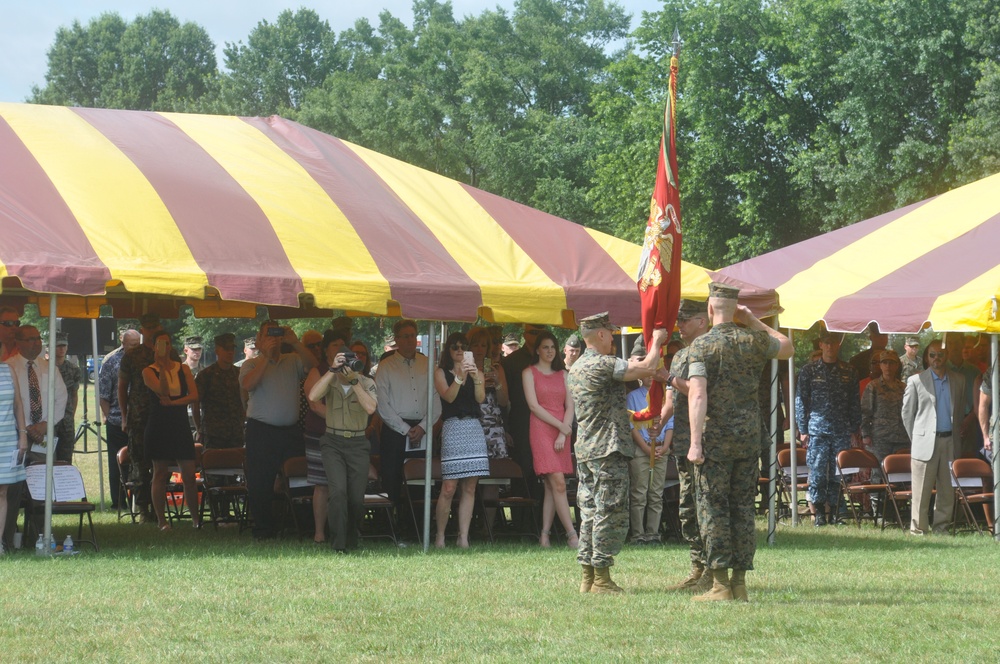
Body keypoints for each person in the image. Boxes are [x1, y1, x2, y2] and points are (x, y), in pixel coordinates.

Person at [686, 283, 793, 602]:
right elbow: (786, 346)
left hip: (716, 441)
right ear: (736, 310)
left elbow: (698, 394)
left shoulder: (702, 345)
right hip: (749, 437)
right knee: (743, 509)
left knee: (713, 508)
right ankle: (740, 584)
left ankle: (720, 585)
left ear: (708, 310)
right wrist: (754, 321)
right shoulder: (754, 339)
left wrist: (694, 442)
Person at [568, 312, 667, 594]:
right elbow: (648, 369)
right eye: (610, 333)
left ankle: (588, 576)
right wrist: (657, 341)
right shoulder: (602, 364)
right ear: (599, 334)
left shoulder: (578, 367)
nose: (612, 338)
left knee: (589, 512)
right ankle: (601, 578)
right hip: (607, 450)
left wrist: (637, 415)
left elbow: (603, 406)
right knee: (609, 512)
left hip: (588, 449)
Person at [240, 320, 317, 540]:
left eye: (277, 334)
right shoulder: (251, 363)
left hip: (290, 431)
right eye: (268, 334)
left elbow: (313, 366)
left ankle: (301, 525)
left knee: (300, 477)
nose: (273, 338)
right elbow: (248, 385)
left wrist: (296, 343)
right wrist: (266, 355)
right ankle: (264, 529)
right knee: (260, 482)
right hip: (261, 431)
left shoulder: (293, 360)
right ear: (259, 338)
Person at [659, 298, 712, 591]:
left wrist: (668, 377)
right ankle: (696, 568)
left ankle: (711, 571)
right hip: (681, 441)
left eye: (685, 320)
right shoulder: (680, 357)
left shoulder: (708, 353)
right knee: (688, 507)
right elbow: (672, 396)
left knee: (705, 506)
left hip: (704, 441)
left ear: (701, 322)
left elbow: (697, 390)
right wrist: (657, 420)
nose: (679, 325)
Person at [308, 335, 378, 552]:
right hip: (333, 442)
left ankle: (351, 539)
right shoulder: (332, 380)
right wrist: (332, 370)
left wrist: (355, 381)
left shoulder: (367, 382)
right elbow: (313, 396)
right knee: (337, 492)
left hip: (358, 443)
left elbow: (370, 408)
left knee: (356, 498)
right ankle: (338, 544)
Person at [795, 330, 862, 526]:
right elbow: (801, 401)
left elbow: (854, 402)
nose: (830, 347)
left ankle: (833, 513)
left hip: (841, 430)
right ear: (821, 346)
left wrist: (854, 428)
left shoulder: (849, 371)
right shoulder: (809, 371)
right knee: (817, 472)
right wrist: (803, 429)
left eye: (833, 343)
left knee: (837, 474)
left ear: (838, 345)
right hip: (817, 430)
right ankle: (819, 516)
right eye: (826, 343)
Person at [901, 339, 965, 535]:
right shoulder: (916, 380)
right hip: (924, 442)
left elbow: (960, 412)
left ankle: (941, 528)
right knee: (921, 490)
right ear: (927, 357)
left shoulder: (959, 380)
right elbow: (907, 414)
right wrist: (918, 437)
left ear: (946, 356)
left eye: (940, 354)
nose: (937, 358)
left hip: (949, 442)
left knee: (947, 490)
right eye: (932, 355)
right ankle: (918, 529)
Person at [120, 313, 179, 521]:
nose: (152, 330)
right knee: (140, 465)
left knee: (163, 465)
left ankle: (159, 508)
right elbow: (122, 387)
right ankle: (144, 509)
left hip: (164, 416)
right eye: (148, 327)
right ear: (142, 329)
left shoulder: (172, 354)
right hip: (139, 418)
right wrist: (125, 417)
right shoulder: (132, 356)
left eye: (156, 326)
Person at [375, 320, 440, 509]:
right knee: (392, 477)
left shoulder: (428, 364)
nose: (411, 340)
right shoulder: (386, 366)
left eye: (413, 335)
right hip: (395, 430)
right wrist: (405, 429)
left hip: (422, 429)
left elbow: (436, 399)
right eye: (406, 336)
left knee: (420, 480)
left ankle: (417, 527)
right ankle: (392, 525)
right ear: (397, 339)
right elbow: (382, 403)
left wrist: (422, 426)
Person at [433, 332, 489, 548]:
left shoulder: (478, 373)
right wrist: (459, 378)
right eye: (455, 346)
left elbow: (480, 398)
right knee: (449, 486)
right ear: (448, 350)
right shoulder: (441, 373)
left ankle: (463, 537)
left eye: (463, 346)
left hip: (473, 427)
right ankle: (440, 536)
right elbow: (448, 397)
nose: (459, 349)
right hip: (453, 427)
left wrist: (475, 378)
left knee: (470, 486)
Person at [523, 330, 577, 549]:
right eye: (545, 347)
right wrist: (560, 427)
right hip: (541, 429)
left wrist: (564, 432)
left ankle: (544, 535)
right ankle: (572, 534)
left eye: (553, 347)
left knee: (551, 486)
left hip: (562, 431)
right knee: (558, 482)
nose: (549, 351)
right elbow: (533, 406)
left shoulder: (563, 375)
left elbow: (570, 406)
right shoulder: (529, 372)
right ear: (537, 350)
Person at [142, 331, 201, 530]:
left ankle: (195, 519)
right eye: (160, 344)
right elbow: (162, 391)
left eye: (167, 344)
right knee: (160, 472)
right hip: (159, 423)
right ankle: (162, 521)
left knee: (189, 473)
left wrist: (174, 403)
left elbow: (193, 395)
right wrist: (161, 366)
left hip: (180, 423)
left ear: (171, 346)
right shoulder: (148, 371)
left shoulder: (183, 368)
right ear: (154, 346)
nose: (164, 348)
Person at [5, 325, 68, 464]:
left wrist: (45, 424)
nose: (37, 342)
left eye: (38, 338)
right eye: (31, 339)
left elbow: (61, 399)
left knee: (43, 478)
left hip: (44, 434)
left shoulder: (50, 367)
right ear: (18, 342)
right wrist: (27, 427)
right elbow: (9, 404)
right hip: (16, 434)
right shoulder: (8, 367)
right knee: (16, 482)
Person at [502, 324, 546, 509]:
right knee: (522, 468)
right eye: (532, 332)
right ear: (524, 334)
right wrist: (506, 428)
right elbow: (504, 399)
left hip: (546, 421)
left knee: (545, 470)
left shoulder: (549, 357)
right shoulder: (511, 361)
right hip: (521, 421)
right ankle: (521, 519)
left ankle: (544, 518)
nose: (536, 336)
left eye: (539, 332)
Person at [303, 330, 338, 543]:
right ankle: (319, 533)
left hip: (345, 436)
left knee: (343, 483)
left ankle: (342, 529)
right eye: (335, 345)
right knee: (322, 483)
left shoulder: (351, 371)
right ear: (326, 350)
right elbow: (314, 404)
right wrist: (339, 419)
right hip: (320, 434)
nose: (340, 348)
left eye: (343, 344)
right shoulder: (317, 371)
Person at [627, 370, 671, 545]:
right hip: (641, 449)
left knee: (656, 493)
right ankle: (638, 534)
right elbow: (631, 426)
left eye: (654, 373)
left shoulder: (665, 395)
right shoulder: (632, 397)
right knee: (639, 492)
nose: (650, 377)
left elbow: (670, 423)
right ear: (639, 376)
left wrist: (666, 447)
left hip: (661, 448)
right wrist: (646, 449)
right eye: (647, 373)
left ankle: (653, 533)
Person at [100, 329, 140, 509]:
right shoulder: (111, 362)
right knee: (117, 463)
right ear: (123, 344)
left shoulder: (144, 360)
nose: (136, 348)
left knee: (139, 461)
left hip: (140, 420)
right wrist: (111, 417)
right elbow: (103, 396)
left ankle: (140, 500)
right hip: (116, 421)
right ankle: (118, 501)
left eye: (138, 344)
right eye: (132, 345)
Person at [861, 350, 910, 486]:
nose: (888, 366)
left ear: (897, 366)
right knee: (879, 475)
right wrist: (865, 434)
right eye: (884, 363)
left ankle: (898, 505)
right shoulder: (873, 387)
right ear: (880, 366)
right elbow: (865, 412)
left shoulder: (904, 388)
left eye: (891, 363)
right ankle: (878, 505)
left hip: (901, 438)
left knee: (901, 475)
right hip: (880, 440)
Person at [192, 333, 245, 450]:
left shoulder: (239, 374)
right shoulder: (205, 375)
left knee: (236, 465)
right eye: (226, 349)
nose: (230, 352)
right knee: (213, 464)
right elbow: (195, 404)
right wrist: (198, 429)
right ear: (217, 351)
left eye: (232, 349)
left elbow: (245, 400)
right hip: (213, 434)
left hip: (235, 432)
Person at [0, 361, 28, 555]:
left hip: (7, 440)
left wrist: (23, 435)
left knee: (2, 492)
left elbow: (18, 404)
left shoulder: (8, 370)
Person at [52, 333, 81, 464]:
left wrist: (71, 415)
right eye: (58, 346)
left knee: (66, 457)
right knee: (47, 455)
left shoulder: (73, 369)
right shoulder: (45, 367)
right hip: (49, 419)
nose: (61, 349)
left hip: (66, 419)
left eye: (64, 346)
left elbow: (74, 395)